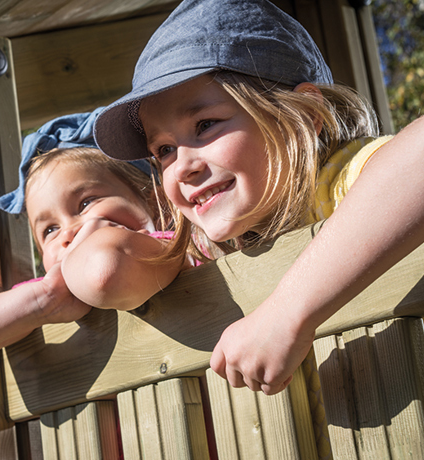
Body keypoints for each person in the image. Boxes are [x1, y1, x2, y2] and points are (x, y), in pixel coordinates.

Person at [93, 0, 424, 395]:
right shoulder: (210, 249)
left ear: (304, 116)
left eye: (205, 125)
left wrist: (287, 311)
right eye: (163, 150)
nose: (182, 166)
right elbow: (103, 271)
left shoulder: (342, 180)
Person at [0, 111, 188, 373]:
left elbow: (104, 271)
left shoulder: (173, 248)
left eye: (86, 203)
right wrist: (42, 301)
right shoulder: (53, 291)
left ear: (153, 201)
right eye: (49, 230)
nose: (69, 232)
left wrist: (98, 241)